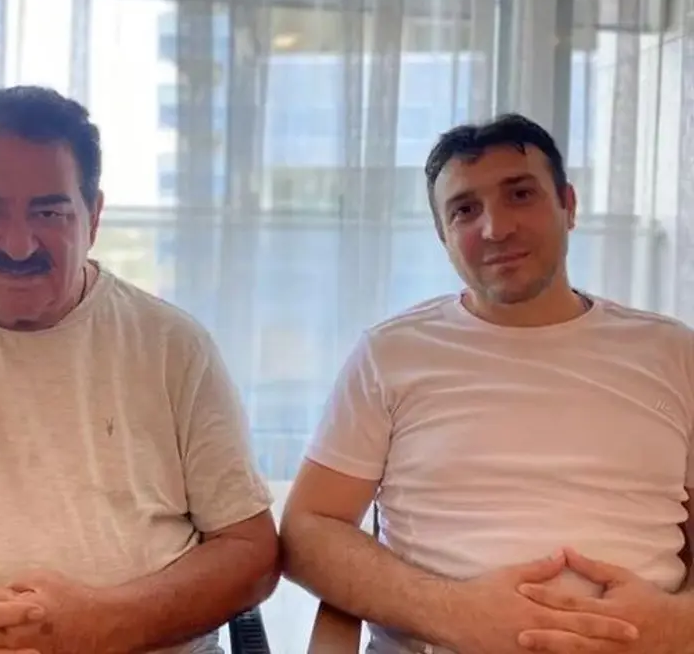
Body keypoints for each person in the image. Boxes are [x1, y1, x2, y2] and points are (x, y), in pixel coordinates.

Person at [0, 86, 279, 654]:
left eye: (49, 212)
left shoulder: (174, 348)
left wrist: (105, 625)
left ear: (93, 217)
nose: (17, 244)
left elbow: (250, 551)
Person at [280, 113, 694, 654]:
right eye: (464, 210)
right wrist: (452, 613)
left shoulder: (672, 352)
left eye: (520, 194)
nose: (496, 228)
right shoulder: (391, 354)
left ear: (568, 205)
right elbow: (308, 530)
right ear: (443, 235)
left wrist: (678, 623)